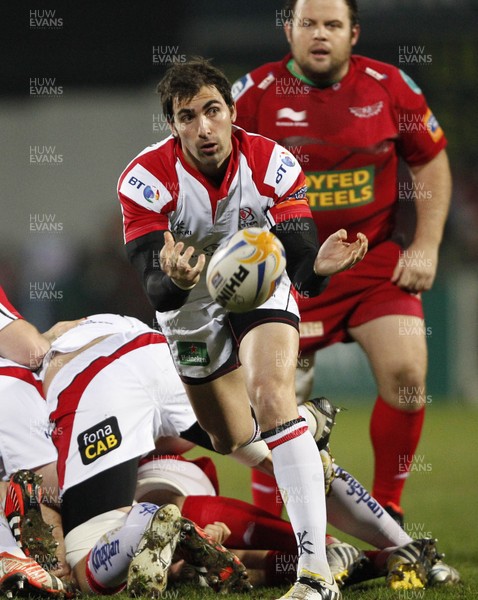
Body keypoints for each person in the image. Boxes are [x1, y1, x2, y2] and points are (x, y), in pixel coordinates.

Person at [117, 57, 368, 600]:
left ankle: (315, 574)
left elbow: (299, 259)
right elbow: (153, 286)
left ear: (232, 112)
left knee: (270, 394)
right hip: (187, 306)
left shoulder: (273, 163)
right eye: (189, 117)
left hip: (260, 285)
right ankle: (305, 424)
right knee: (228, 437)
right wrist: (176, 279)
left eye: (213, 111)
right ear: (173, 124)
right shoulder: (144, 180)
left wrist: (317, 269)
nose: (204, 128)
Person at [233, 0, 452, 523]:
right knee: (273, 398)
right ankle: (276, 527)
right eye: (308, 23)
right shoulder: (253, 96)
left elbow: (429, 160)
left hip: (373, 267)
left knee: (406, 374)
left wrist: (425, 245)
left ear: (354, 33)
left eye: (333, 25)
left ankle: (390, 510)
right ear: (289, 29)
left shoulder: (390, 87)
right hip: (289, 276)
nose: (320, 35)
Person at [39, 313, 251, 596]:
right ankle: (317, 555)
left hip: (93, 377)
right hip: (160, 349)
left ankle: (140, 528)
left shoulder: (21, 384)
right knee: (278, 444)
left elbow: (40, 486)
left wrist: (56, 556)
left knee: (83, 564)